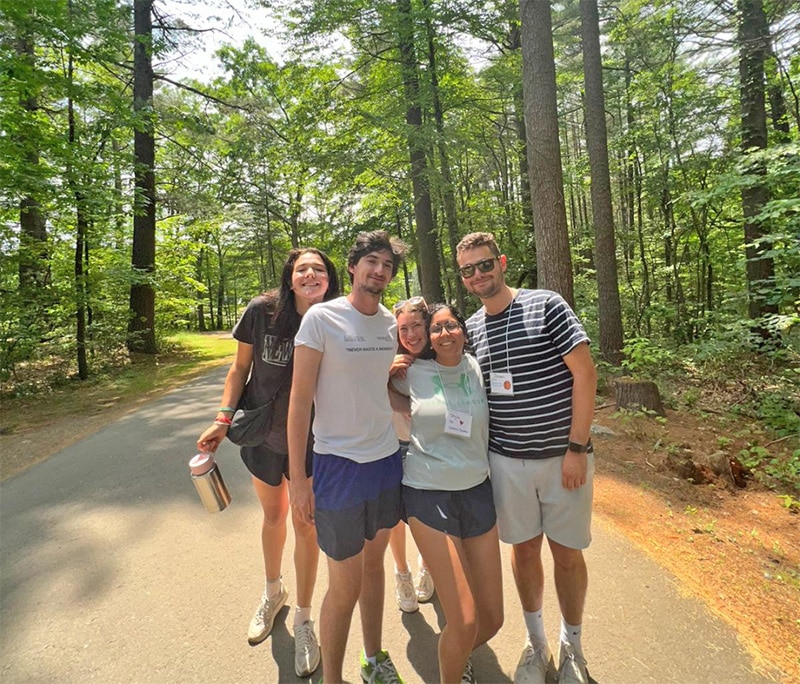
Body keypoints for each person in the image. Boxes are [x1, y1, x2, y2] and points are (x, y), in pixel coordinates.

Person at [455, 232, 598, 684]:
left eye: (484, 264)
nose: (479, 275)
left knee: (569, 555)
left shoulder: (547, 305)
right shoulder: (473, 327)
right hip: (506, 463)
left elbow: (586, 375)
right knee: (524, 552)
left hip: (563, 460)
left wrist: (576, 448)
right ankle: (535, 644)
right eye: (468, 270)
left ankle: (571, 646)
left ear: (501, 261)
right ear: (463, 279)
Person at [196, 248, 339, 679]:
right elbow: (239, 369)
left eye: (319, 269)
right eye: (302, 269)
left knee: (307, 524)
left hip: (315, 443)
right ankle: (272, 592)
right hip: (263, 435)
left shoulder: (338, 320)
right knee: (273, 517)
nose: (311, 274)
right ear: (290, 277)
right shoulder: (263, 311)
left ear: (330, 279)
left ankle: (304, 617)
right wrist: (223, 417)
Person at [288, 230, 408, 684]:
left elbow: (376, 384)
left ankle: (373, 657)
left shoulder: (389, 326)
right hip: (337, 466)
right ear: (354, 267)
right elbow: (300, 402)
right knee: (344, 586)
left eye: (387, 266)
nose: (379, 271)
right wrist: (300, 479)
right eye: (371, 262)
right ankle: (332, 678)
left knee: (374, 569)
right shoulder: (321, 319)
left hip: (384, 461)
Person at [390, 303, 504, 684]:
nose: (444, 334)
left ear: (464, 332)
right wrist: (383, 378)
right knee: (465, 618)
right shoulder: (410, 372)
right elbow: (372, 394)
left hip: (476, 491)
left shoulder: (476, 367)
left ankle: (453, 653)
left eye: (450, 326)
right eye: (436, 330)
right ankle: (452, 669)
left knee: (491, 619)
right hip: (427, 492)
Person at [388, 297, 436, 614]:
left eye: (417, 325)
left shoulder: (440, 358)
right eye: (403, 328)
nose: (411, 334)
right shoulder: (389, 360)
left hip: (430, 448)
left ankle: (428, 565)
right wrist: (384, 374)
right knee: (394, 517)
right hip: (394, 446)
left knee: (427, 514)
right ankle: (401, 573)